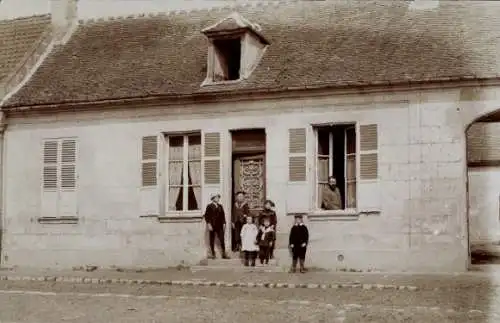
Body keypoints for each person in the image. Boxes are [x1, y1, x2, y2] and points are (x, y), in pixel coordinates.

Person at [204, 193, 229, 259]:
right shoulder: (209, 206)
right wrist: (209, 224)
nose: (218, 199)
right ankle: (213, 254)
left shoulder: (220, 206)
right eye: (217, 197)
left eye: (218, 197)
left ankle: (224, 254)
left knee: (222, 239)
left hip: (219, 225)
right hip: (212, 225)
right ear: (213, 198)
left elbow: (223, 216)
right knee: (212, 239)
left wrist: (224, 223)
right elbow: (207, 216)